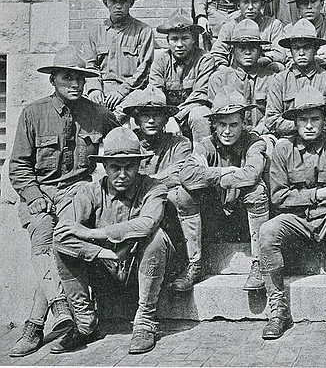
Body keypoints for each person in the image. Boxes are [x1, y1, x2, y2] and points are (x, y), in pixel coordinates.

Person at [7, 47, 118, 358]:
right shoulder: (33, 113)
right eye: (67, 77)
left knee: (61, 242)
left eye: (80, 78)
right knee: (43, 241)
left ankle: (36, 326)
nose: (75, 84)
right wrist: (35, 197)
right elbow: (18, 165)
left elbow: (122, 144)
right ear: (53, 79)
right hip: (40, 192)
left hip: (77, 192)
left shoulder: (98, 114)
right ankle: (58, 309)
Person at [51, 127, 172, 355]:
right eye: (115, 167)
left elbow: (147, 223)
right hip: (104, 271)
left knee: (156, 237)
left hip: (143, 271)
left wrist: (90, 233)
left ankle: (145, 322)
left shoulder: (154, 188)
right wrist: (107, 253)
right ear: (105, 167)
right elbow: (63, 233)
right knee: (60, 246)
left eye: (130, 167)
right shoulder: (90, 192)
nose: (123, 175)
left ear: (140, 166)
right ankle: (85, 322)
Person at [259, 86, 326, 340]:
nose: (310, 126)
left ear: (325, 121)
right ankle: (277, 309)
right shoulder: (282, 149)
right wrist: (317, 195)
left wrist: (303, 199)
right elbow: (278, 196)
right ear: (295, 122)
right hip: (297, 219)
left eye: (315, 119)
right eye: (303, 120)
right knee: (268, 230)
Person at [173, 87, 269, 292]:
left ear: (243, 124)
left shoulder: (254, 142)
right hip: (214, 216)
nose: (227, 131)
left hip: (244, 217)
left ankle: (259, 263)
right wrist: (225, 172)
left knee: (257, 190)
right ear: (213, 125)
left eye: (234, 124)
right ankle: (195, 264)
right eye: (222, 124)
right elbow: (186, 175)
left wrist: (210, 175)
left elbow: (252, 173)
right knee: (184, 193)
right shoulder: (206, 145)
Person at [84, 0, 155, 114]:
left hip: (130, 91)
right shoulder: (95, 31)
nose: (118, 6)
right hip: (101, 89)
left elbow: (144, 69)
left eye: (123, 1)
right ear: (106, 3)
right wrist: (94, 89)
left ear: (131, 3)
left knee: (120, 115)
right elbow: (90, 65)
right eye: (113, 0)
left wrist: (121, 92)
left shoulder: (143, 31)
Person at [257, 19, 326, 139]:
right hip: (286, 140)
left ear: (316, 50)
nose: (301, 53)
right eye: (296, 48)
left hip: (321, 139)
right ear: (290, 51)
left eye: (307, 48)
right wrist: (301, 127)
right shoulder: (279, 80)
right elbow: (272, 119)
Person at [149, 11, 215, 143]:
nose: (179, 44)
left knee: (200, 115)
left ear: (194, 40)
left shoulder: (205, 60)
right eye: (174, 39)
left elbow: (200, 95)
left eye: (185, 38)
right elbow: (155, 93)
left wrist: (176, 117)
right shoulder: (160, 61)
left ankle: (201, 158)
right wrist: (167, 117)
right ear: (168, 41)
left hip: (192, 111)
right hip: (167, 115)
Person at [121, 86, 192, 198]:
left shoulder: (179, 144)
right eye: (145, 115)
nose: (151, 121)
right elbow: (124, 182)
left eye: (157, 115)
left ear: (166, 119)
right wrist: (165, 174)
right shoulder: (126, 142)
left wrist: (141, 181)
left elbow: (181, 177)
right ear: (136, 120)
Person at [209, 19, 276, 130]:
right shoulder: (219, 79)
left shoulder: (272, 79)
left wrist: (257, 132)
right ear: (233, 50)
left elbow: (272, 113)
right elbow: (216, 116)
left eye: (253, 48)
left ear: (260, 51)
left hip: (262, 134)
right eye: (242, 48)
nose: (248, 52)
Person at [210, 0, 286, 71]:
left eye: (255, 2)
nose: (250, 7)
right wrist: (225, 71)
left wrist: (260, 61)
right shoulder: (230, 26)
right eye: (245, 2)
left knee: (277, 67)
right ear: (238, 5)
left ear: (262, 4)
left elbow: (280, 53)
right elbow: (217, 54)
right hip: (237, 73)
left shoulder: (273, 25)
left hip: (263, 71)